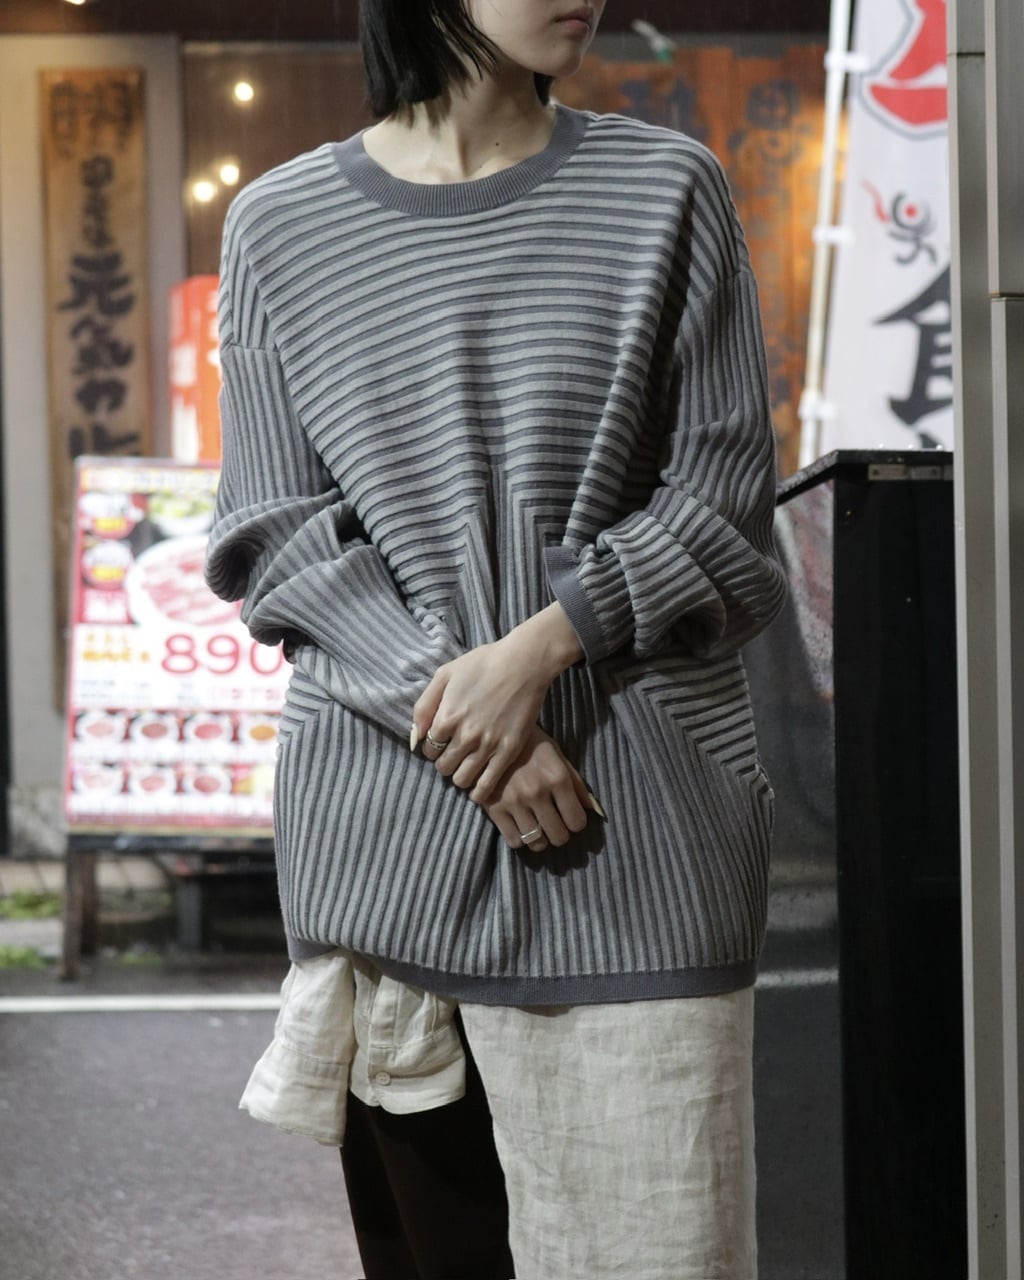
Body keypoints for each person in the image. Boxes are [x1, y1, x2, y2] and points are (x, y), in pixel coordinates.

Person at [205, 1, 787, 1276]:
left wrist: (538, 652)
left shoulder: (665, 187)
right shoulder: (279, 223)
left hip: (634, 840)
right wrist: (468, 719)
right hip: (391, 844)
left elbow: (725, 497)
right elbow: (273, 534)